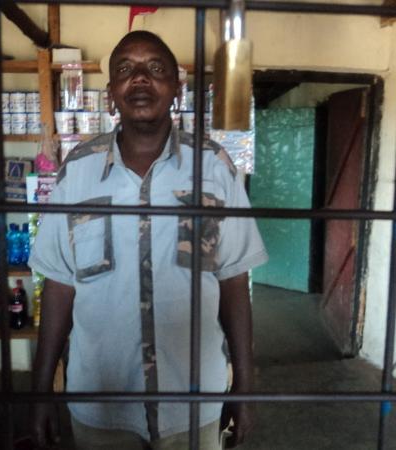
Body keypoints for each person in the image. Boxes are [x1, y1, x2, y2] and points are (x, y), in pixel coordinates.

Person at [29, 30, 268, 450]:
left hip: (194, 403)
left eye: (155, 68)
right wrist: (41, 390)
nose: (140, 78)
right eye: (125, 69)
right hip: (101, 404)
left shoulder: (214, 168)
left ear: (176, 88)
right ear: (111, 94)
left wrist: (244, 387)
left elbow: (233, 282)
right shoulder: (77, 172)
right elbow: (59, 286)